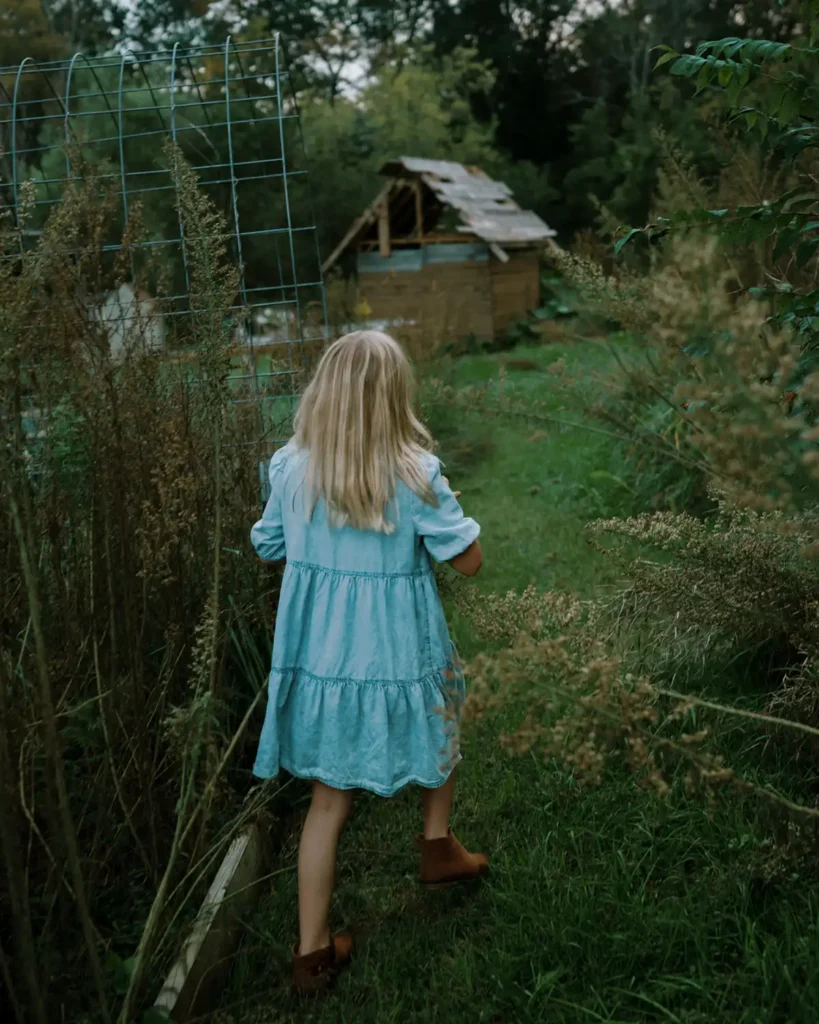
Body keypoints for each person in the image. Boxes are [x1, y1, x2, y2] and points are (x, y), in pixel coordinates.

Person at [250, 330, 488, 996]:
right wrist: (450, 515)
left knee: (328, 800)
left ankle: (311, 954)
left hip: (322, 657)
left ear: (321, 393)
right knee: (442, 712)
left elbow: (267, 545)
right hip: (397, 648)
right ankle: (436, 841)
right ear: (394, 397)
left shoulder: (291, 469)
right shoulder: (414, 473)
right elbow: (467, 560)